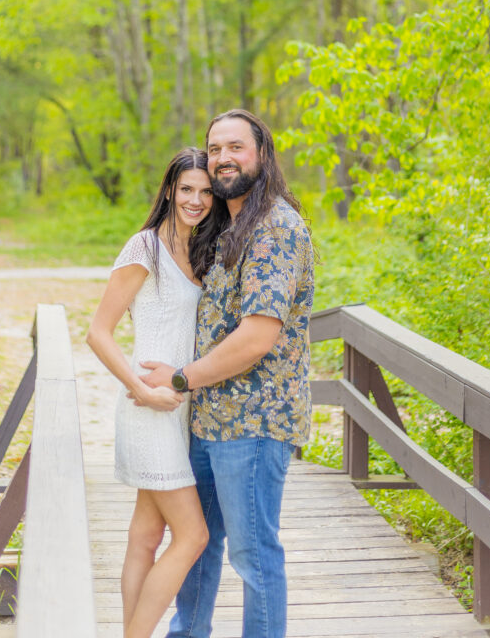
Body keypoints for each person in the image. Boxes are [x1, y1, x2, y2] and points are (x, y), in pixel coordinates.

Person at [140, 109, 315, 638]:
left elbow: (258, 337)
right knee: (196, 542)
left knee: (253, 555)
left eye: (235, 147)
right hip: (209, 420)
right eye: (215, 149)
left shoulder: (276, 228)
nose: (222, 158)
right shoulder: (230, 225)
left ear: (261, 153)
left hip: (255, 424)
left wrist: (179, 379)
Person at [86, 148, 228, 638]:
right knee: (193, 536)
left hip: (181, 410)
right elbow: (98, 333)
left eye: (206, 191)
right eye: (187, 189)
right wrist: (139, 391)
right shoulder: (144, 247)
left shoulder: (202, 250)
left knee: (147, 536)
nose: (196, 200)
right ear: (169, 189)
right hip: (149, 409)